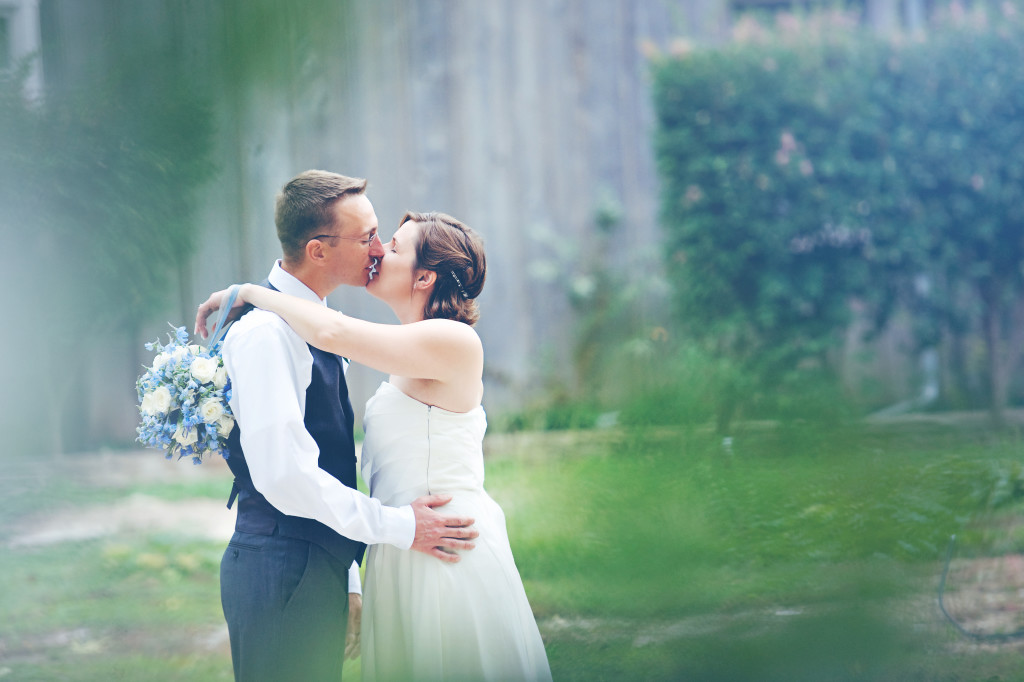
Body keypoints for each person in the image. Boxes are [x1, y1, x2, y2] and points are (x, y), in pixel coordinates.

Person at [197, 210, 552, 680]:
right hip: (400, 542)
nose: (380, 250)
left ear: (424, 276)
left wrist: (249, 293)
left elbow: (330, 331)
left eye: (396, 247)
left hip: (443, 548)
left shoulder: (453, 340)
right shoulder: (406, 346)